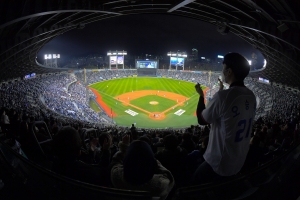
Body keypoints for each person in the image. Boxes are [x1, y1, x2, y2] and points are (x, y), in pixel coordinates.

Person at [192, 53, 256, 184]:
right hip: (239, 162)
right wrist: (221, 89)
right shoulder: (251, 96)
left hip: (219, 163)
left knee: (194, 181)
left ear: (229, 71)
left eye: (223, 69)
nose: (222, 72)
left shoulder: (223, 96)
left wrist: (200, 95)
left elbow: (202, 120)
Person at [110, 135, 174, 200]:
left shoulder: (116, 177)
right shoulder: (160, 184)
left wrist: (124, 147)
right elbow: (169, 176)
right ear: (152, 164)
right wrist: (152, 159)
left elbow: (116, 161)